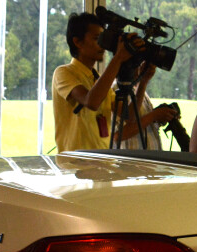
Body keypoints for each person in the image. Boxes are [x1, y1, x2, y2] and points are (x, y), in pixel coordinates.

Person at [53, 12, 175, 153]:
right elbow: (91, 101)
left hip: (102, 162)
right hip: (75, 165)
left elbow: (129, 116)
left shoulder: (97, 78)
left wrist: (143, 82)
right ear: (77, 42)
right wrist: (118, 58)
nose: (102, 45)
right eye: (97, 39)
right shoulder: (64, 72)